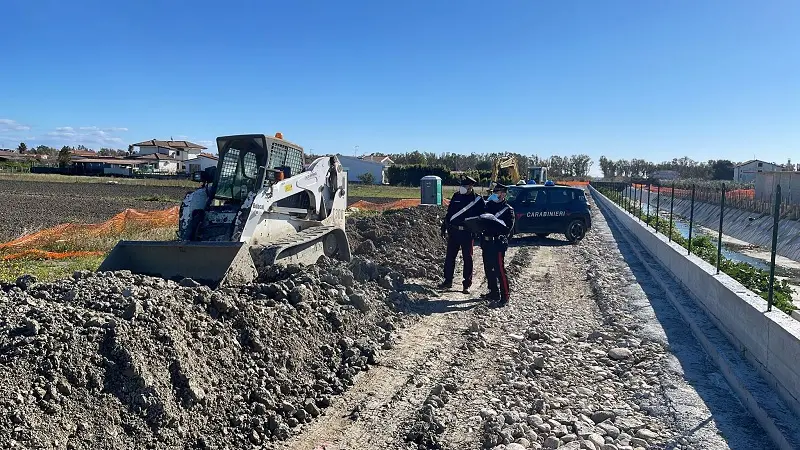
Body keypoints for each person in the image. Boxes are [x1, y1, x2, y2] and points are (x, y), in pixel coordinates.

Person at [440, 176, 485, 293]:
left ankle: (466, 284)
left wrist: (477, 231)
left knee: (467, 258)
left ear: (471, 186)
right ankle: (448, 281)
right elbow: (449, 213)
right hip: (454, 231)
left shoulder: (477, 200)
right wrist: (444, 227)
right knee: (450, 257)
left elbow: (481, 217)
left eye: (465, 186)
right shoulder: (456, 196)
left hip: (467, 233)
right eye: (462, 185)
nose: (463, 188)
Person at [480, 183, 515, 306]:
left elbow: (507, 229)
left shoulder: (508, 210)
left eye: (497, 192)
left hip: (498, 243)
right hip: (487, 241)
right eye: (494, 192)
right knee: (488, 269)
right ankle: (493, 292)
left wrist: (495, 222)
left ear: (503, 194)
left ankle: (505, 295)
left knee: (499, 269)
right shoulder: (488, 206)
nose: (494, 194)